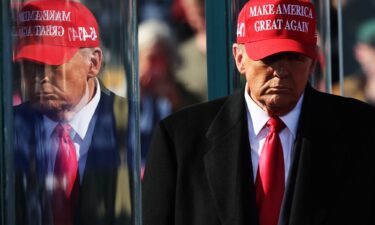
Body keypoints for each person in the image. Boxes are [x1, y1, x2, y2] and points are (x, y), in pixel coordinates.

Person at [142, 0, 375, 225]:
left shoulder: (362, 132)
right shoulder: (179, 140)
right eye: (269, 57)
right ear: (239, 58)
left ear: (312, 62)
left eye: (295, 57)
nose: (281, 70)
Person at [13, 1, 130, 225]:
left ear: (93, 63)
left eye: (53, 66)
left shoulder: (136, 125)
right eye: (29, 66)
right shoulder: (8, 129)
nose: (39, 79)